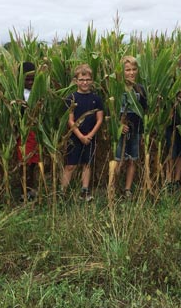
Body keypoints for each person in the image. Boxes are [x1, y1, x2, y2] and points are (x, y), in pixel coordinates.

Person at [61, 64, 104, 201]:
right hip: (74, 137)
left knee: (87, 164)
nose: (84, 83)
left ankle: (84, 191)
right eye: (81, 80)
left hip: (90, 137)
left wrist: (90, 135)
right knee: (70, 165)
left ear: (92, 81)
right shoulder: (71, 98)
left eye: (87, 80)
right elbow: (70, 120)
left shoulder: (96, 99)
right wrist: (80, 136)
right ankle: (62, 193)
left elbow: (100, 119)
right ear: (76, 81)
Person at [114, 56, 148, 198]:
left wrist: (143, 132)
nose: (131, 73)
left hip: (136, 130)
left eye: (134, 69)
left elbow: (145, 112)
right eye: (128, 70)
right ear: (122, 72)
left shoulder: (140, 89)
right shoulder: (117, 88)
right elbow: (112, 110)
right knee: (118, 160)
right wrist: (119, 125)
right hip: (120, 131)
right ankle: (113, 187)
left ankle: (127, 189)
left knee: (133, 159)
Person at [16, 62, 40, 199]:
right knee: (24, 162)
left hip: (37, 131)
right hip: (23, 132)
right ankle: (24, 191)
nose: (30, 82)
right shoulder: (18, 93)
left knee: (35, 162)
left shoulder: (39, 91)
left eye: (33, 79)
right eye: (27, 79)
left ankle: (32, 188)